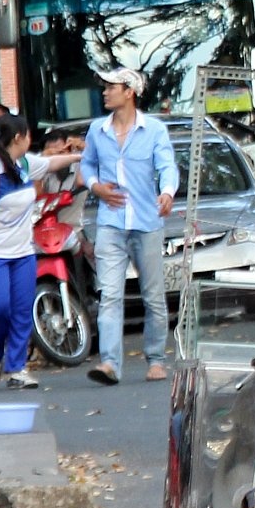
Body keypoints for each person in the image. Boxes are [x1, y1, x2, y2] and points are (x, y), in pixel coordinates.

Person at [0, 114, 83, 388]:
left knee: (23, 309)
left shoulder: (25, 164)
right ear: (18, 138)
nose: (30, 140)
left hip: (23, 252)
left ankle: (16, 369)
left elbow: (50, 164)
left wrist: (77, 157)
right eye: (28, 136)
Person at [80, 66, 179, 385]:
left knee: (152, 294)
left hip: (147, 221)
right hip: (110, 223)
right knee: (109, 293)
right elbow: (87, 164)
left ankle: (156, 358)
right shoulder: (98, 130)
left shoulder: (153, 130)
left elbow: (167, 166)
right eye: (104, 87)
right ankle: (109, 363)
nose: (105, 92)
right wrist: (95, 186)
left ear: (129, 92)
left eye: (112, 87)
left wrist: (166, 192)